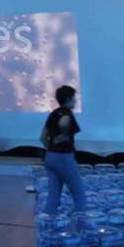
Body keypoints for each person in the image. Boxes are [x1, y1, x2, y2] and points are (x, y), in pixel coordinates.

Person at [40, 85, 87, 215]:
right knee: (78, 194)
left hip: (50, 157)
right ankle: (80, 223)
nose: (76, 100)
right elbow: (64, 123)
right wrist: (62, 136)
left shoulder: (53, 114)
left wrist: (52, 148)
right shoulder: (67, 114)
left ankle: (49, 222)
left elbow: (42, 137)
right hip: (64, 158)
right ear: (68, 99)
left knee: (53, 195)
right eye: (74, 97)